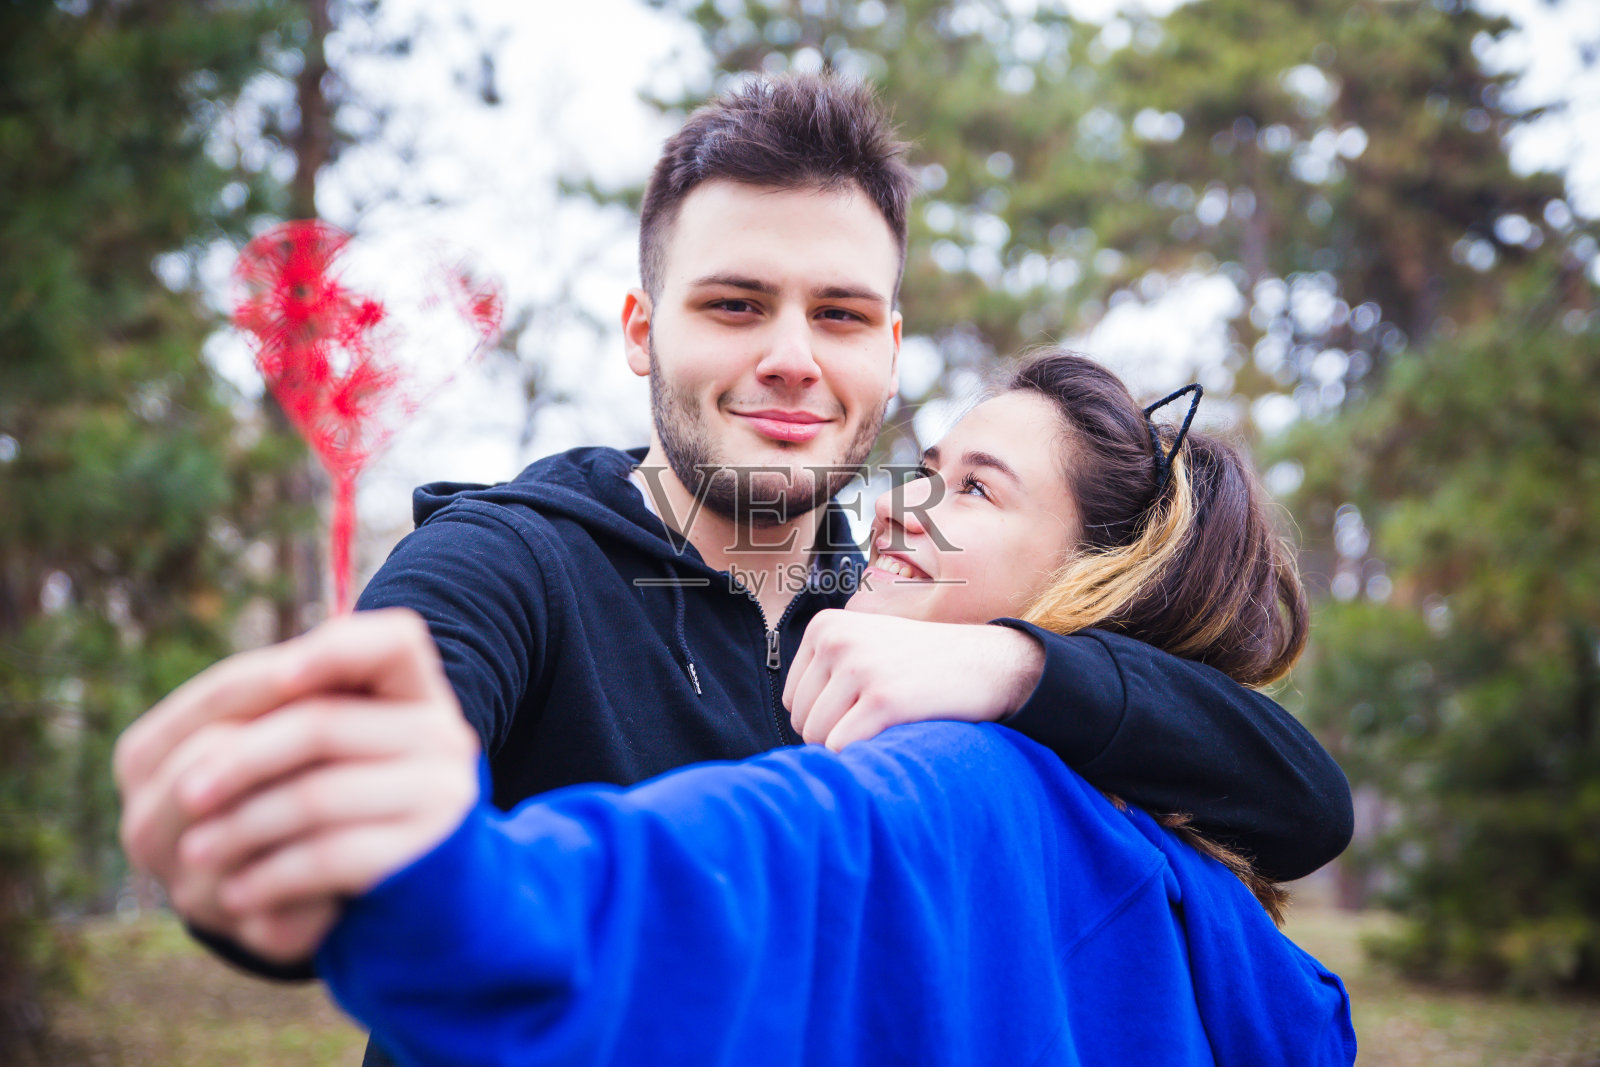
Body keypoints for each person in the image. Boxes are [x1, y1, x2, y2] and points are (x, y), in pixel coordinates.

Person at [115, 73, 1352, 1063]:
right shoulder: (508, 559)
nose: (792, 357)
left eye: (840, 314)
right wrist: (315, 828)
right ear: (642, 331)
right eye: (734, 304)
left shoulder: (914, 604)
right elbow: (386, 748)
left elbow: (1297, 802)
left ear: (889, 349)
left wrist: (1011, 664)